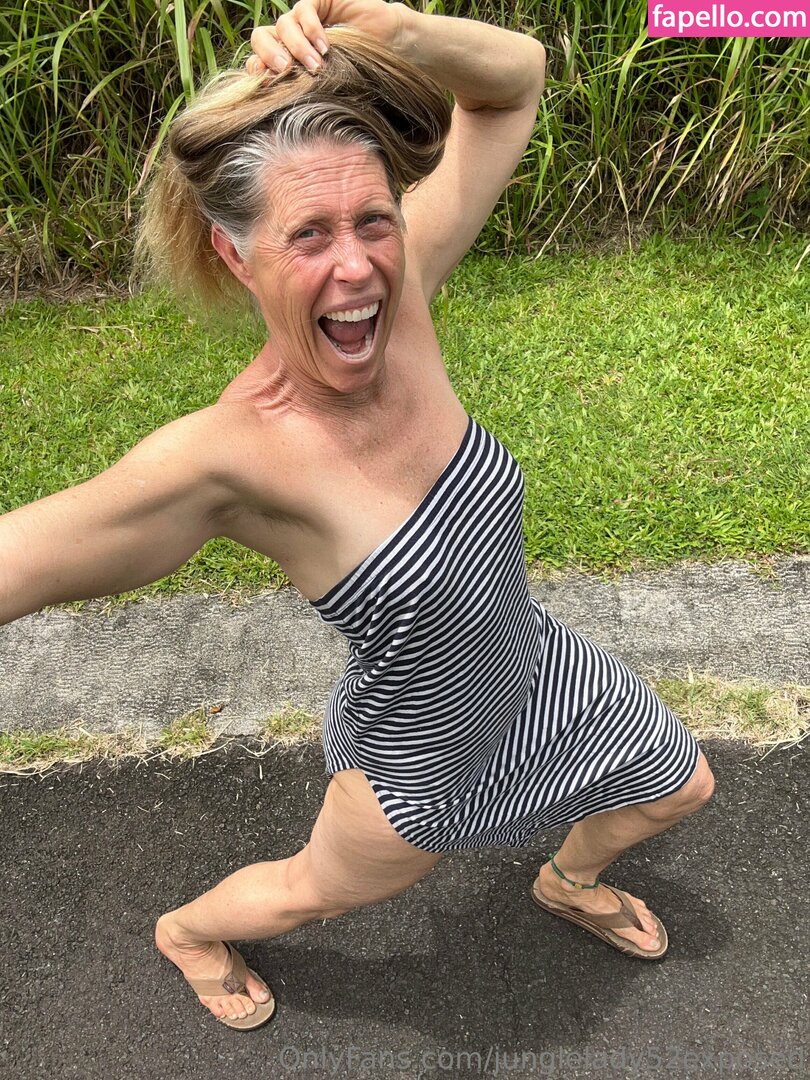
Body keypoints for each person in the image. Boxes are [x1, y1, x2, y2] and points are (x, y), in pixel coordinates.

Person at [1, 0, 715, 1032]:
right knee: (312, 893)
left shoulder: (401, 296)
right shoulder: (230, 460)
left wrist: (390, 31)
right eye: (308, 234)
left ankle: (566, 880)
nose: (356, 265)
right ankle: (187, 931)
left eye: (373, 220)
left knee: (679, 786)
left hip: (540, 670)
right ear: (238, 257)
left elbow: (513, 83)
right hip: (415, 759)